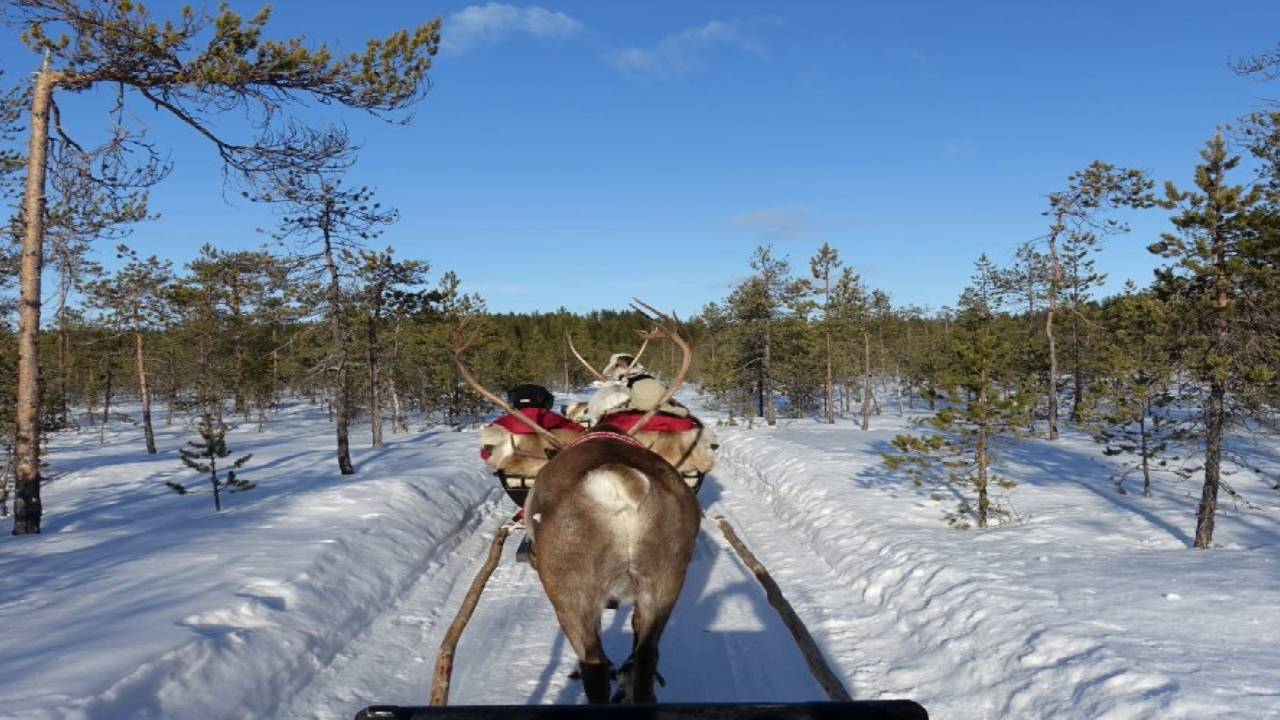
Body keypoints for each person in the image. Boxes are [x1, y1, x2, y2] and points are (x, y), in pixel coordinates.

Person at [479, 384, 584, 509]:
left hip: (516, 487)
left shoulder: (498, 425)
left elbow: (486, 455)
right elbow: (585, 443)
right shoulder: (561, 422)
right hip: (556, 483)